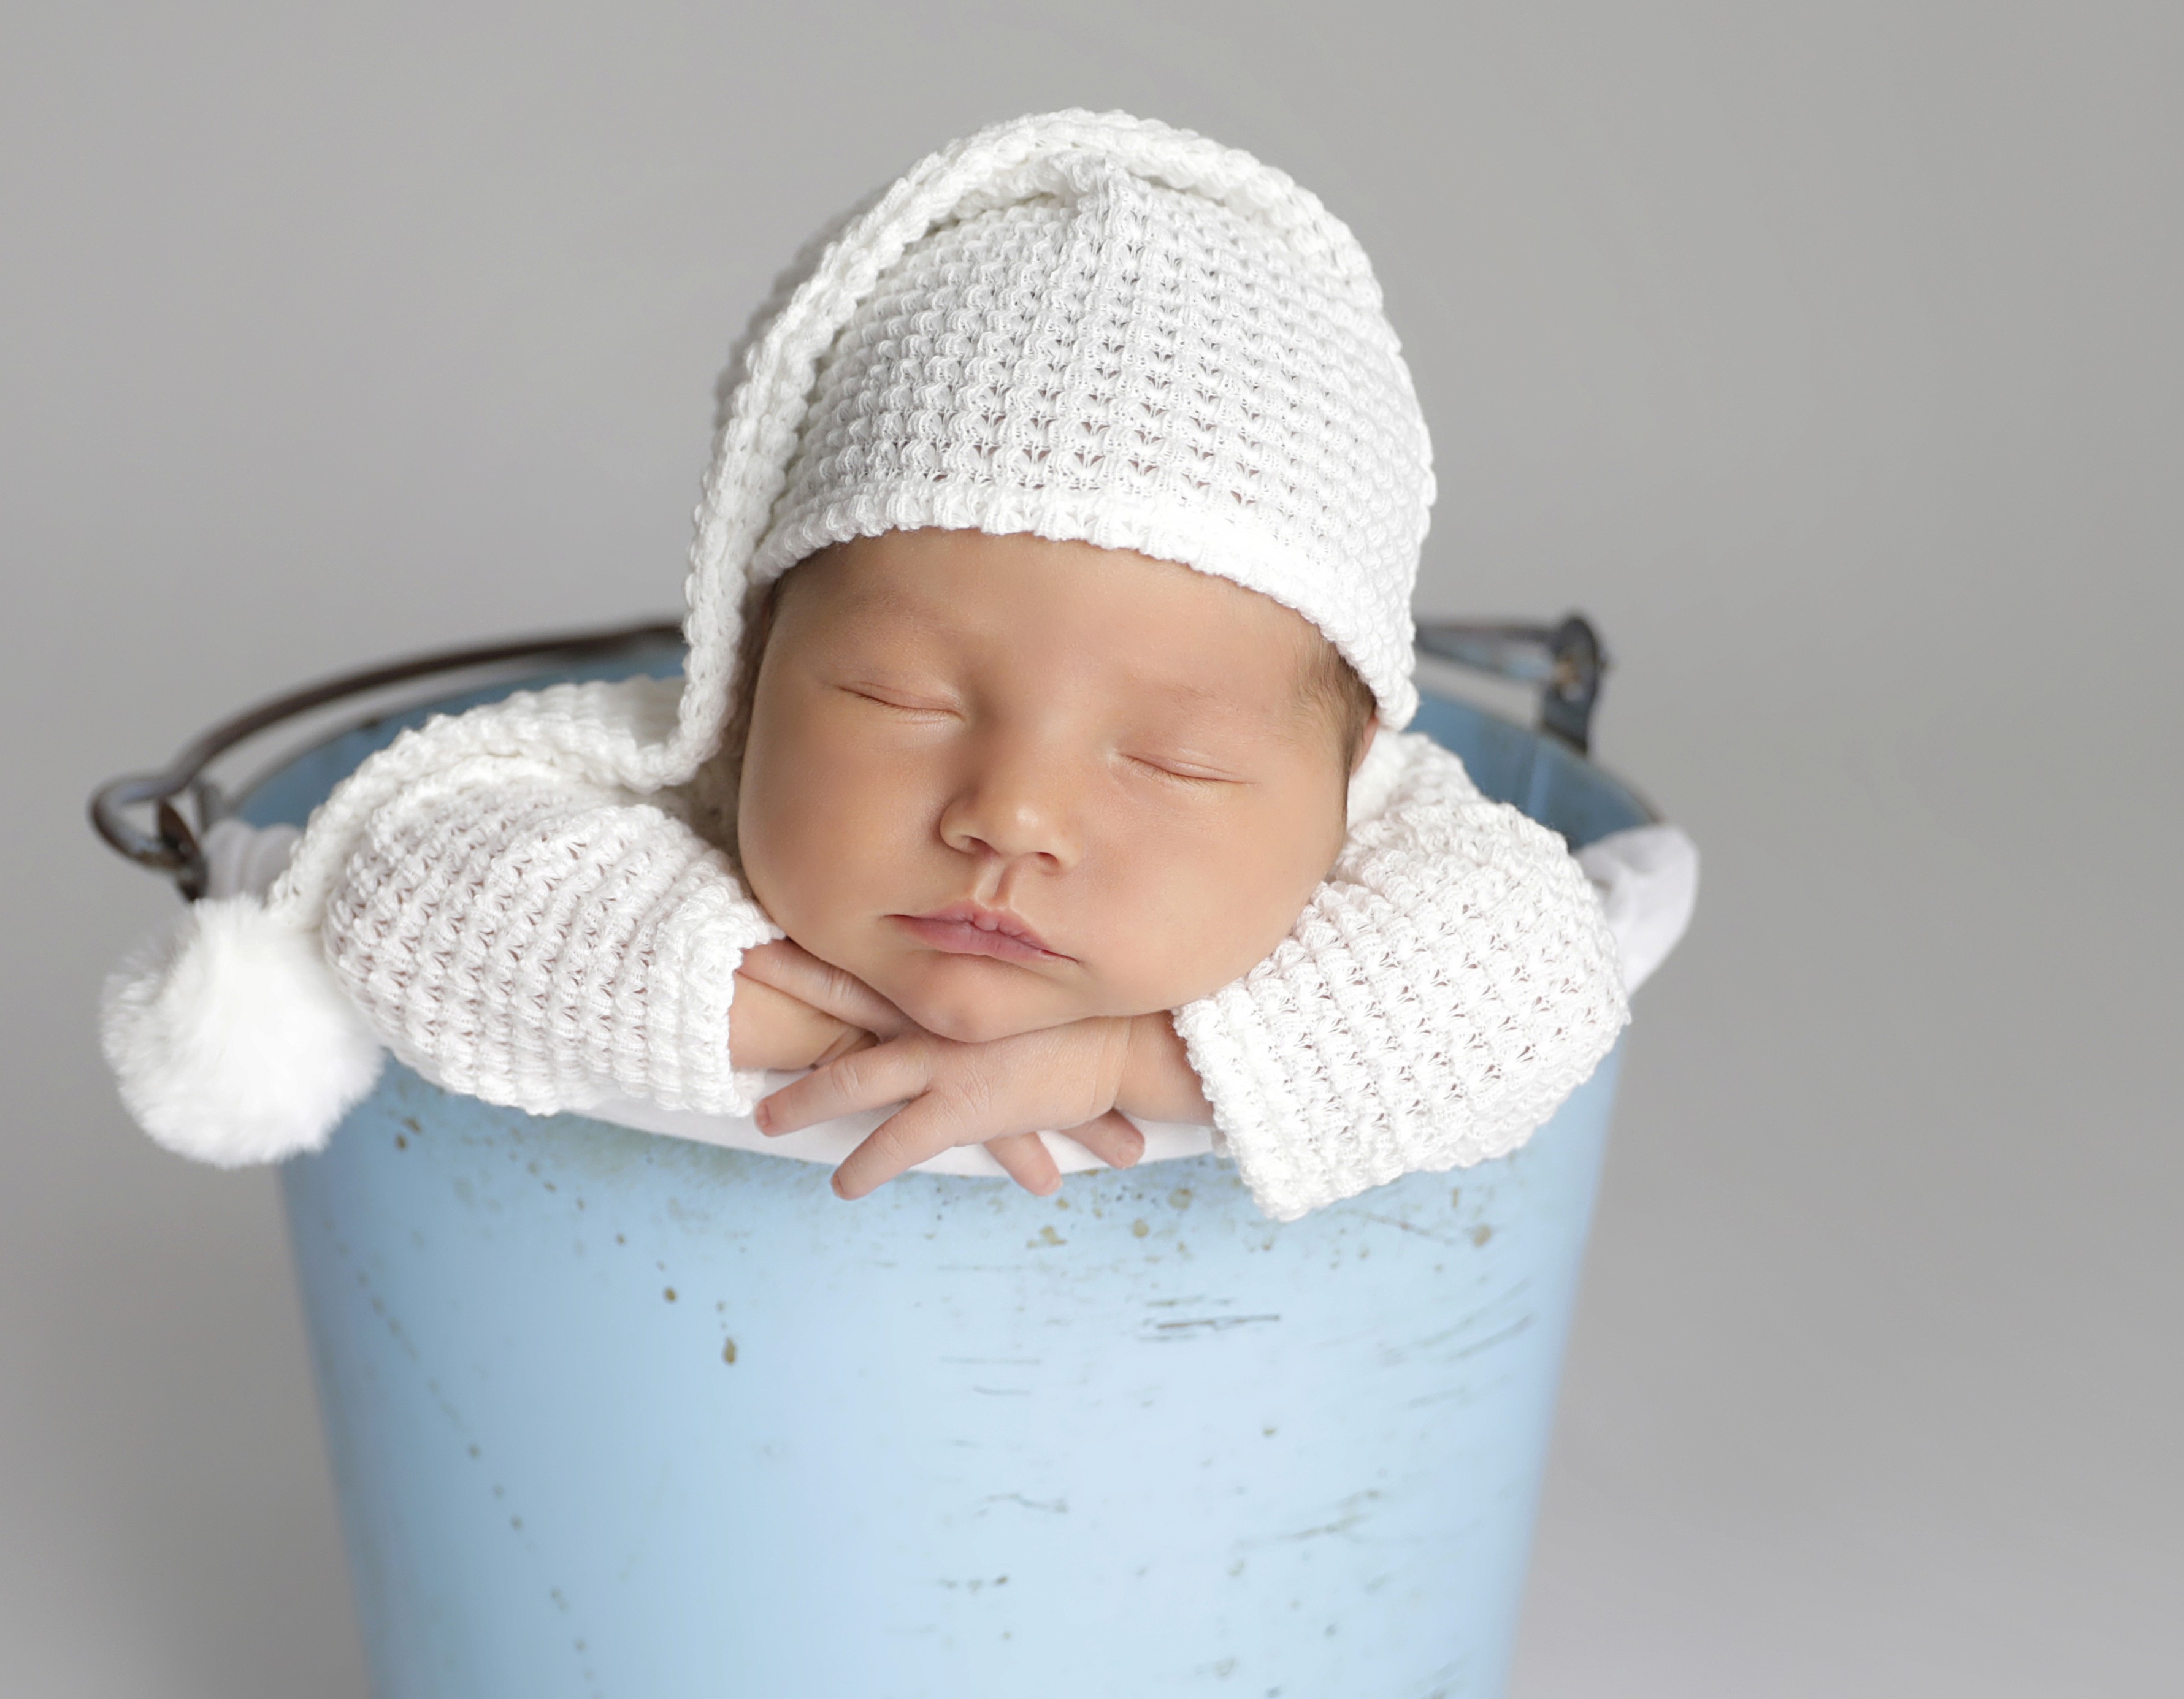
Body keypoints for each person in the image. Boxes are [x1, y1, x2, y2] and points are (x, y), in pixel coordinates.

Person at [106, 111, 1693, 1221]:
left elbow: (1540, 984)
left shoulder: (1401, 850)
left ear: (1345, 777)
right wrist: (732, 994)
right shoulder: (694, 778)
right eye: (898, 700)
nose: (1010, 813)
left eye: (1173, 758)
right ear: (750, 669)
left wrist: (1145, 1056)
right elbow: (396, 872)